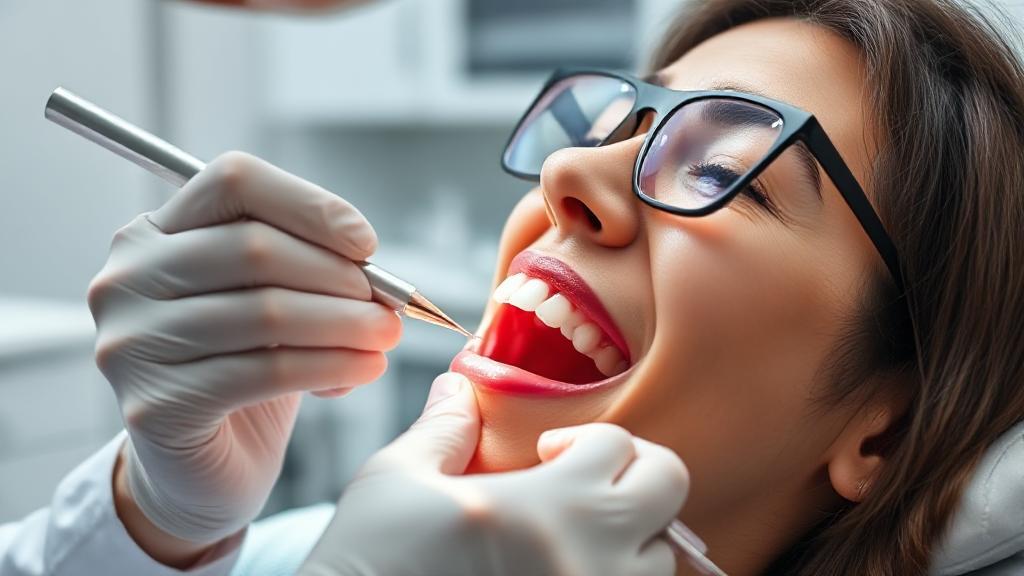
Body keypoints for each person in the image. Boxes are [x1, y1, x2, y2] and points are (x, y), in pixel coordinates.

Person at [4, 0, 1024, 575]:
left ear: (880, 435)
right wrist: (152, 524)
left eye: (720, 173)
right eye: (602, 130)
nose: (567, 174)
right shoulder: (303, 552)